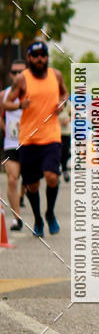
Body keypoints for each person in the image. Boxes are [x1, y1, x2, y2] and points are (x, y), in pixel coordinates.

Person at [4, 41, 68, 237]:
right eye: (36, 55)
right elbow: (6, 103)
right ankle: (38, 219)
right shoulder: (22, 79)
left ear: (47, 57)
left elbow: (65, 93)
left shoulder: (55, 75)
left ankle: (49, 213)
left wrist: (61, 104)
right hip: (29, 139)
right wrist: (20, 105)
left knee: (51, 176)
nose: (40, 59)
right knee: (32, 185)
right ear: (29, 58)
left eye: (43, 55)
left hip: (51, 137)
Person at [1, 58, 26, 230]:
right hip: (11, 143)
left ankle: (23, 195)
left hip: (31, 142)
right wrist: (5, 129)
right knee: (11, 180)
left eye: (21, 72)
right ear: (10, 75)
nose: (18, 75)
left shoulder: (32, 93)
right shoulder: (4, 94)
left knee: (31, 182)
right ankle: (17, 219)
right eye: (15, 72)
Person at [58, 97, 71, 181]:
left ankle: (64, 169)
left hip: (65, 133)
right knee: (57, 152)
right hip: (55, 133)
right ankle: (57, 171)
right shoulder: (51, 101)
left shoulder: (68, 104)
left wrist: (68, 120)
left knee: (65, 152)